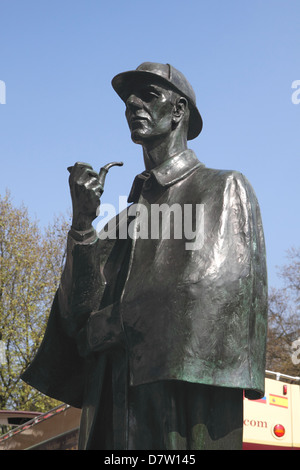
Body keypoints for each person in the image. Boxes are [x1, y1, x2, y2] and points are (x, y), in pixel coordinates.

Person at [22, 62, 268, 450]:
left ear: (178, 111)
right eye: (128, 100)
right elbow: (76, 316)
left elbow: (214, 293)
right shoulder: (121, 221)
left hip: (177, 400)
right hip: (109, 394)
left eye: (149, 95)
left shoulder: (222, 188)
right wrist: (83, 225)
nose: (133, 104)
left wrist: (114, 324)